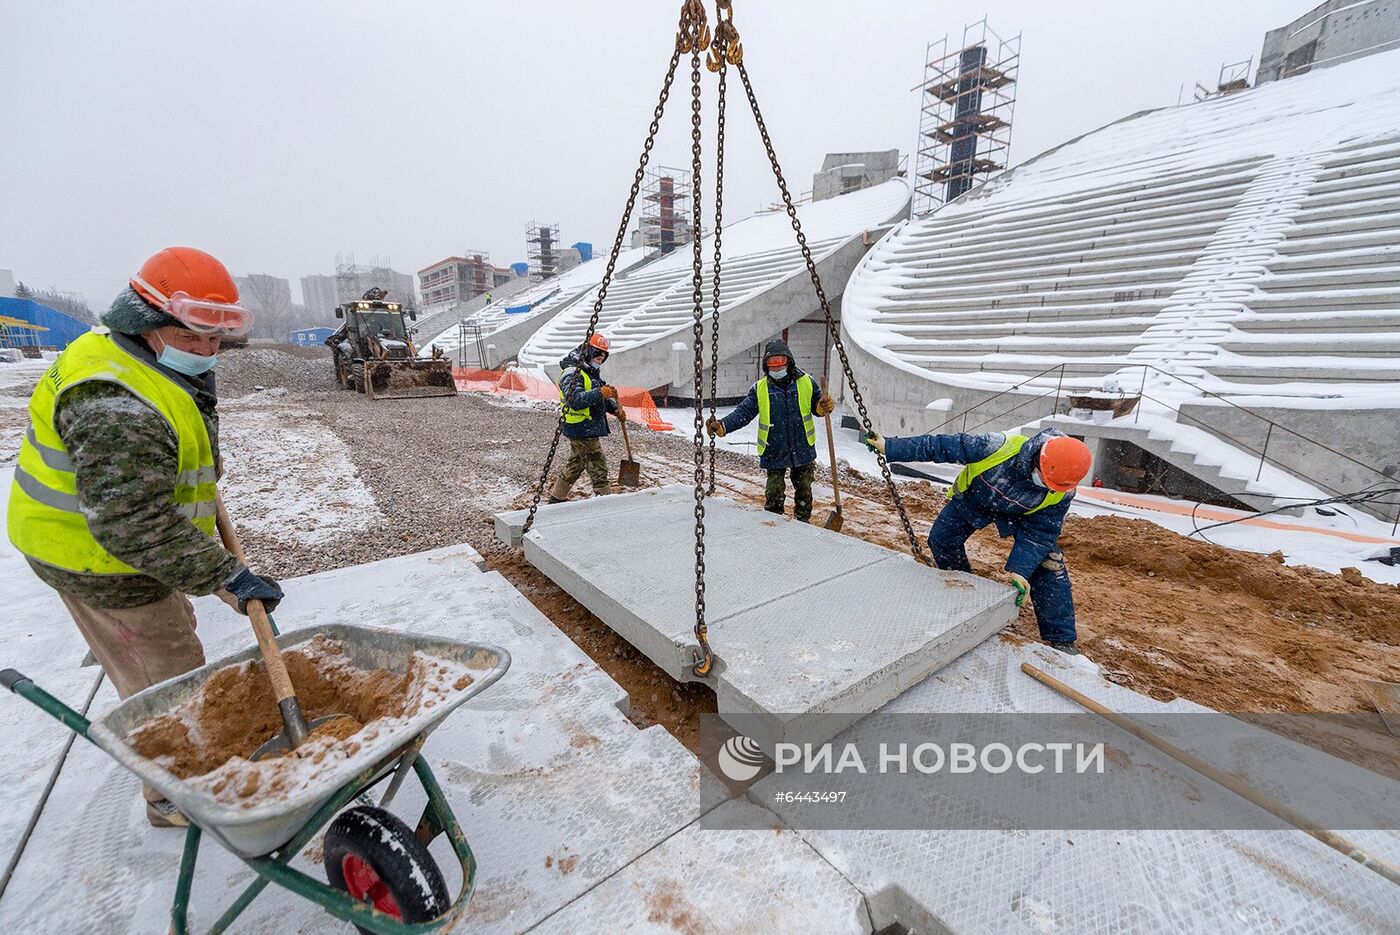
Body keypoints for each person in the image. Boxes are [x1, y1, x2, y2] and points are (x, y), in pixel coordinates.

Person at [7, 247, 285, 826]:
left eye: (216, 341)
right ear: (147, 323)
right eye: (195, 338)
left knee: (168, 639)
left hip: (125, 539)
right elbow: (132, 523)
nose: (209, 354)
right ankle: (173, 796)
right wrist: (224, 576)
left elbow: (162, 468)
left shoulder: (139, 359)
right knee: (171, 679)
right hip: (97, 560)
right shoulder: (114, 404)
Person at [864, 427, 1091, 654]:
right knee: (942, 539)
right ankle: (964, 589)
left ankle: (1061, 638)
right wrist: (891, 446)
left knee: (1049, 564)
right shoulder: (997, 447)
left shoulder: (1062, 489)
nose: (1045, 485)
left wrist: (1020, 571)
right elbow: (941, 446)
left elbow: (1040, 533)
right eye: (1044, 479)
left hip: (1024, 515)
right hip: (977, 499)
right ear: (1037, 459)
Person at [706, 338, 835, 522]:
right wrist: (723, 425)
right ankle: (773, 528)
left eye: (780, 363)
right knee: (774, 494)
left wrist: (823, 407)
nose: (776, 369)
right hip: (774, 448)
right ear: (766, 366)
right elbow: (743, 412)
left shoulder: (807, 382)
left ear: (788, 361)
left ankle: (803, 524)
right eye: (771, 365)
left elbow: (818, 406)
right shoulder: (760, 389)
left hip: (802, 447)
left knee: (804, 492)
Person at [550, 332, 625, 502]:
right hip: (580, 426)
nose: (599, 362)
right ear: (590, 353)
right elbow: (575, 400)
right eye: (598, 358)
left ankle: (556, 498)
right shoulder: (572, 373)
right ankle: (605, 499)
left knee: (576, 463)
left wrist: (614, 409)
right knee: (597, 464)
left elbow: (597, 400)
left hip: (585, 426)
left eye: (602, 360)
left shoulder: (589, 372)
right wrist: (600, 392)